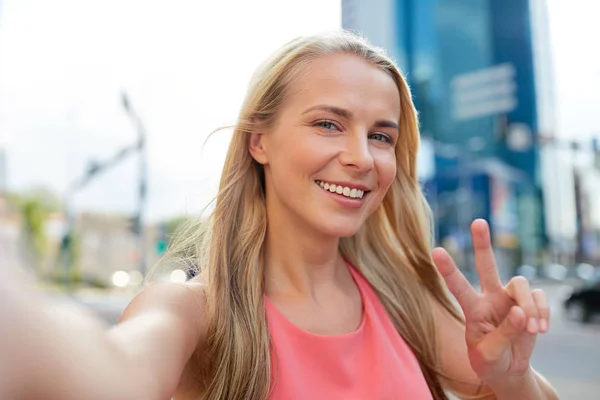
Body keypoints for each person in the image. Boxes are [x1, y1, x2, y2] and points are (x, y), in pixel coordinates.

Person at [0, 31, 559, 400]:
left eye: (381, 136)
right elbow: (112, 375)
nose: (361, 157)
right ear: (258, 141)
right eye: (328, 124)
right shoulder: (193, 311)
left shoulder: (405, 302)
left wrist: (511, 379)